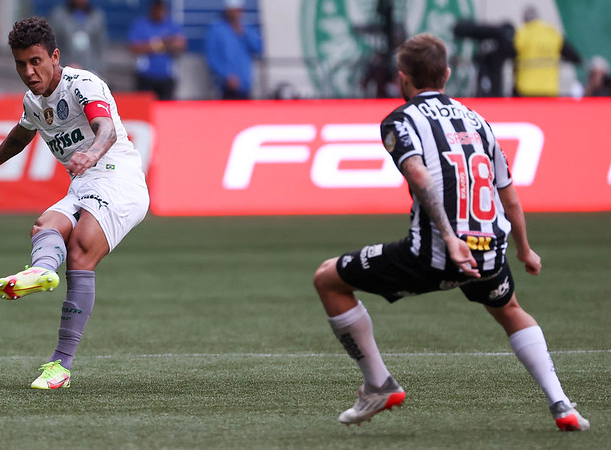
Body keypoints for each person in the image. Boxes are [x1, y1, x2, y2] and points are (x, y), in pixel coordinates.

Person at [312, 33, 589, 431]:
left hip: (437, 253)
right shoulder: (477, 120)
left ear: (402, 78)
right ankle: (562, 405)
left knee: (328, 279)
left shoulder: (400, 120)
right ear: (447, 74)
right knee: (510, 310)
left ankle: (378, 384)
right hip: (490, 251)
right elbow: (508, 194)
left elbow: (419, 176)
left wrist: (449, 237)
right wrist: (526, 250)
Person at [0, 17, 149, 390]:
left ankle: (60, 365)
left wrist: (91, 154)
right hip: (84, 183)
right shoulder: (33, 101)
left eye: (36, 61)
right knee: (45, 224)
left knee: (79, 249)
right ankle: (41, 271)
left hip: (119, 179)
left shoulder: (83, 83)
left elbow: (106, 128)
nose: (28, 72)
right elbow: (21, 134)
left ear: (54, 56)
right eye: (20, 64)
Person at [513, 6, 581, 97]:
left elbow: (510, 54)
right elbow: (575, 57)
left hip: (526, 90)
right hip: (549, 90)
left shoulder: (522, 33)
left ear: (524, 20)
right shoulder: (552, 33)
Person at [127, 0, 186, 100]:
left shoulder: (172, 25)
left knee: (166, 109)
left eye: (162, 10)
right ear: (152, 10)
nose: (160, 13)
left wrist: (152, 45)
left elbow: (180, 44)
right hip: (145, 76)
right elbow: (133, 47)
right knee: (145, 109)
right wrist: (162, 44)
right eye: (157, 10)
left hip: (167, 76)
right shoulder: (141, 25)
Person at [205, 0, 261, 100]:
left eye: (239, 11)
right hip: (226, 85)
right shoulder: (216, 29)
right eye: (233, 11)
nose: (236, 14)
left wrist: (244, 33)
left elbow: (257, 47)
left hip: (245, 83)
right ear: (227, 11)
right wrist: (226, 76)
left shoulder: (247, 28)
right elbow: (212, 58)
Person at [49, 0, 108, 76]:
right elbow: (53, 45)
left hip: (91, 72)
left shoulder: (97, 16)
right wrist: (65, 67)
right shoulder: (58, 16)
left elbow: (100, 48)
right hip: (64, 72)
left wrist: (90, 69)